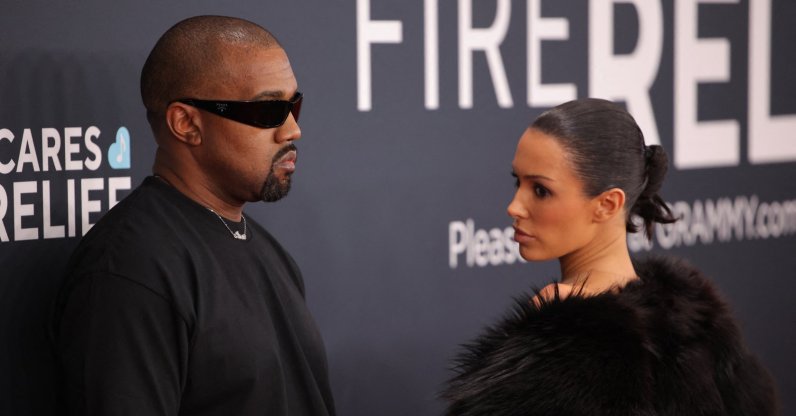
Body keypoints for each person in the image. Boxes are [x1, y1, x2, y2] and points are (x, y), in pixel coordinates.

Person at [52, 16, 335, 416]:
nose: (292, 130)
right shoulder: (131, 269)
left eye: (293, 106)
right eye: (269, 109)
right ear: (187, 123)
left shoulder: (270, 252)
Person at [442, 98, 778, 415]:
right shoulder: (697, 328)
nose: (514, 206)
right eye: (518, 182)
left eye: (541, 190)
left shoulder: (564, 353)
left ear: (607, 204)